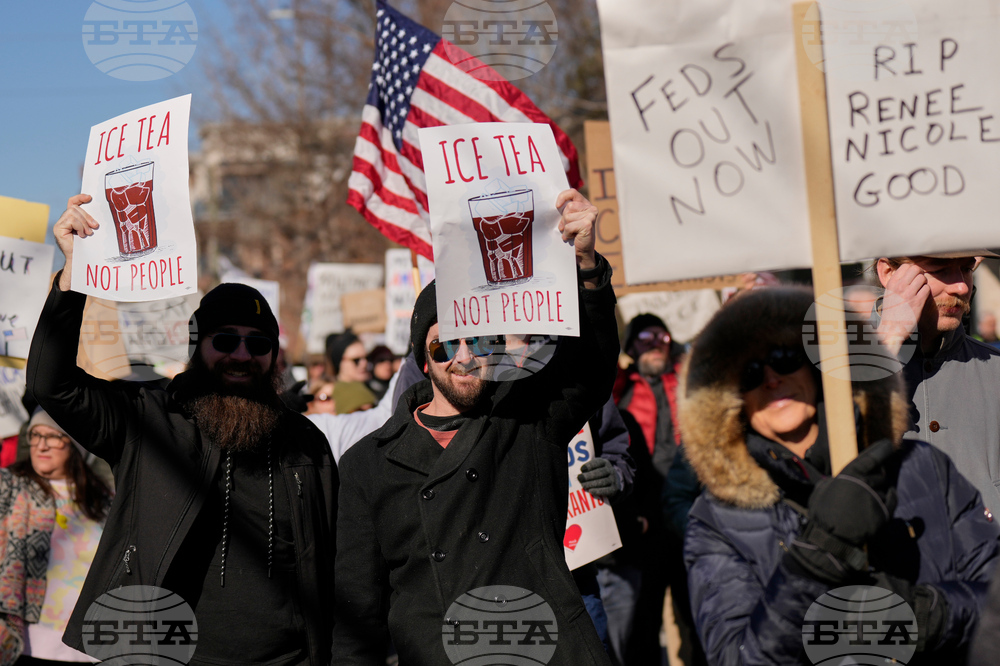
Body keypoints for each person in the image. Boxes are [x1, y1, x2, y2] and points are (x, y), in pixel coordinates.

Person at [26, 194, 339, 665]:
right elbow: (52, 385)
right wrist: (72, 278)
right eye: (225, 340)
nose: (241, 354)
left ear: (274, 356)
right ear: (197, 344)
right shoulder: (149, 420)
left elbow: (332, 561)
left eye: (258, 344)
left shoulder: (306, 442)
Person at [331, 189, 619, 665]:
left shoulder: (529, 417)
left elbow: (591, 367)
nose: (463, 357)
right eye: (444, 346)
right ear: (423, 359)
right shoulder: (367, 464)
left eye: (479, 340)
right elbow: (356, 615)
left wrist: (586, 265)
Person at [680, 286, 1000, 664]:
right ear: (729, 400)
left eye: (783, 358)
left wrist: (923, 615)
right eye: (748, 373)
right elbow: (737, 657)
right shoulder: (716, 519)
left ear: (815, 363)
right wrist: (817, 555)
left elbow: (992, 599)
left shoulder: (923, 465)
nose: (771, 378)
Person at [874, 251, 1000, 516]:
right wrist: (888, 340)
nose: (961, 287)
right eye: (940, 270)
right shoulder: (832, 371)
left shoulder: (995, 369)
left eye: (966, 269)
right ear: (888, 273)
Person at [1, 410, 112, 665]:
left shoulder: (103, 499)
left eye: (53, 436)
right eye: (35, 435)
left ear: (74, 444)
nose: (41, 445)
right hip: (25, 644)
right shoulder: (9, 485)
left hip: (87, 647)